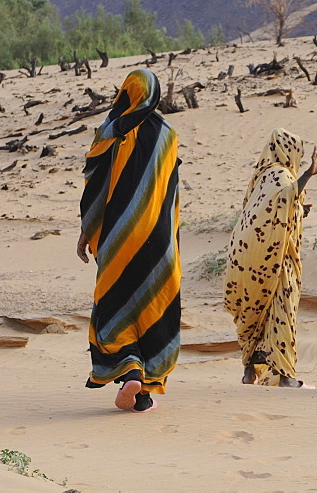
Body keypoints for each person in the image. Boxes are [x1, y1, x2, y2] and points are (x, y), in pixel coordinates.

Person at [77, 68, 181, 413]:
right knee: (151, 307)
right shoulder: (169, 136)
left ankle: (129, 368)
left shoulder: (111, 130)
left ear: (125, 93)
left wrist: (88, 232)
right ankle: (145, 392)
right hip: (159, 238)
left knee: (114, 304)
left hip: (120, 235)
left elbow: (96, 187)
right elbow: (172, 195)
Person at [224, 128, 317, 388]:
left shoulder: (260, 177)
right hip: (275, 258)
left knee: (256, 310)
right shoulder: (282, 175)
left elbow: (264, 211)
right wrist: (308, 174)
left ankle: (251, 371)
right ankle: (285, 377)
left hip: (247, 255)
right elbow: (284, 198)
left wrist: (299, 211)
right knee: (282, 307)